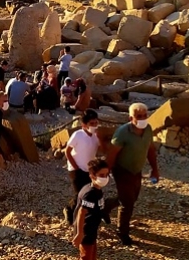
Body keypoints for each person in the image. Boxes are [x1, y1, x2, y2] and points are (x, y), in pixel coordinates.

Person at [106, 103, 159, 245]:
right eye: (138, 116)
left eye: (144, 115)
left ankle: (106, 206)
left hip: (137, 170)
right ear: (131, 118)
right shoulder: (122, 132)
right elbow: (112, 153)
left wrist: (155, 169)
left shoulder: (148, 129)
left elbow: (150, 149)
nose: (142, 119)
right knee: (127, 203)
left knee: (131, 198)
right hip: (122, 170)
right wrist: (106, 171)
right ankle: (122, 232)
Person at [63, 110, 101, 225]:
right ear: (84, 125)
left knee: (89, 193)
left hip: (89, 170)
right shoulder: (78, 135)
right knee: (79, 194)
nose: (94, 126)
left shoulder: (95, 136)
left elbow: (98, 150)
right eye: (92, 123)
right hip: (76, 169)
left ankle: (87, 214)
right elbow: (67, 151)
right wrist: (75, 167)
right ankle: (69, 211)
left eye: (96, 123)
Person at [72, 159, 111, 260]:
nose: (105, 178)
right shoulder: (90, 194)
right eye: (102, 175)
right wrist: (80, 234)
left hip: (92, 229)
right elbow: (81, 212)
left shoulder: (95, 189)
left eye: (107, 174)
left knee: (92, 256)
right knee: (86, 256)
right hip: (86, 230)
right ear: (92, 175)